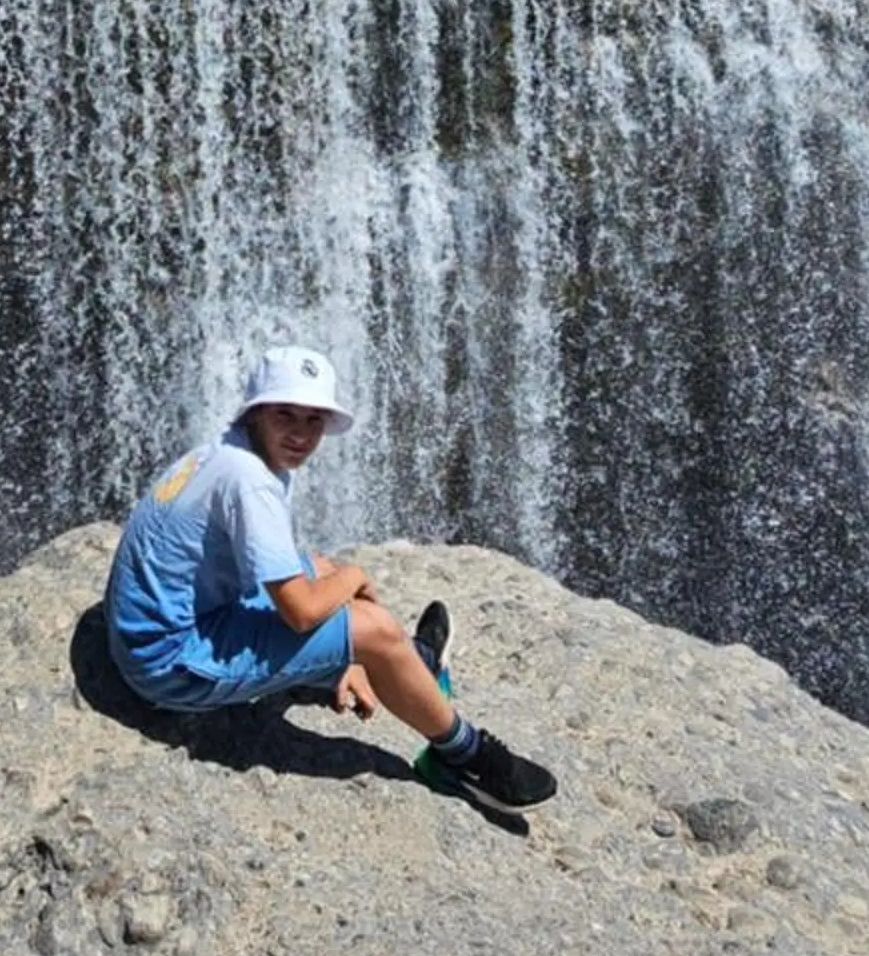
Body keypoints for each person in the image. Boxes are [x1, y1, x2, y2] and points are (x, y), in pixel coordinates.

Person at [103, 345, 557, 821]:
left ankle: (407, 665)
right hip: (168, 665)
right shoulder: (251, 481)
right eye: (286, 415)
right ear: (256, 412)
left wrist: (340, 626)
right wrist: (355, 580)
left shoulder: (227, 450)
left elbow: (289, 574)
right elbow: (299, 612)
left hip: (162, 626)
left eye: (314, 420)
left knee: (317, 567)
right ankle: (464, 758)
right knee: (374, 627)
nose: (300, 434)